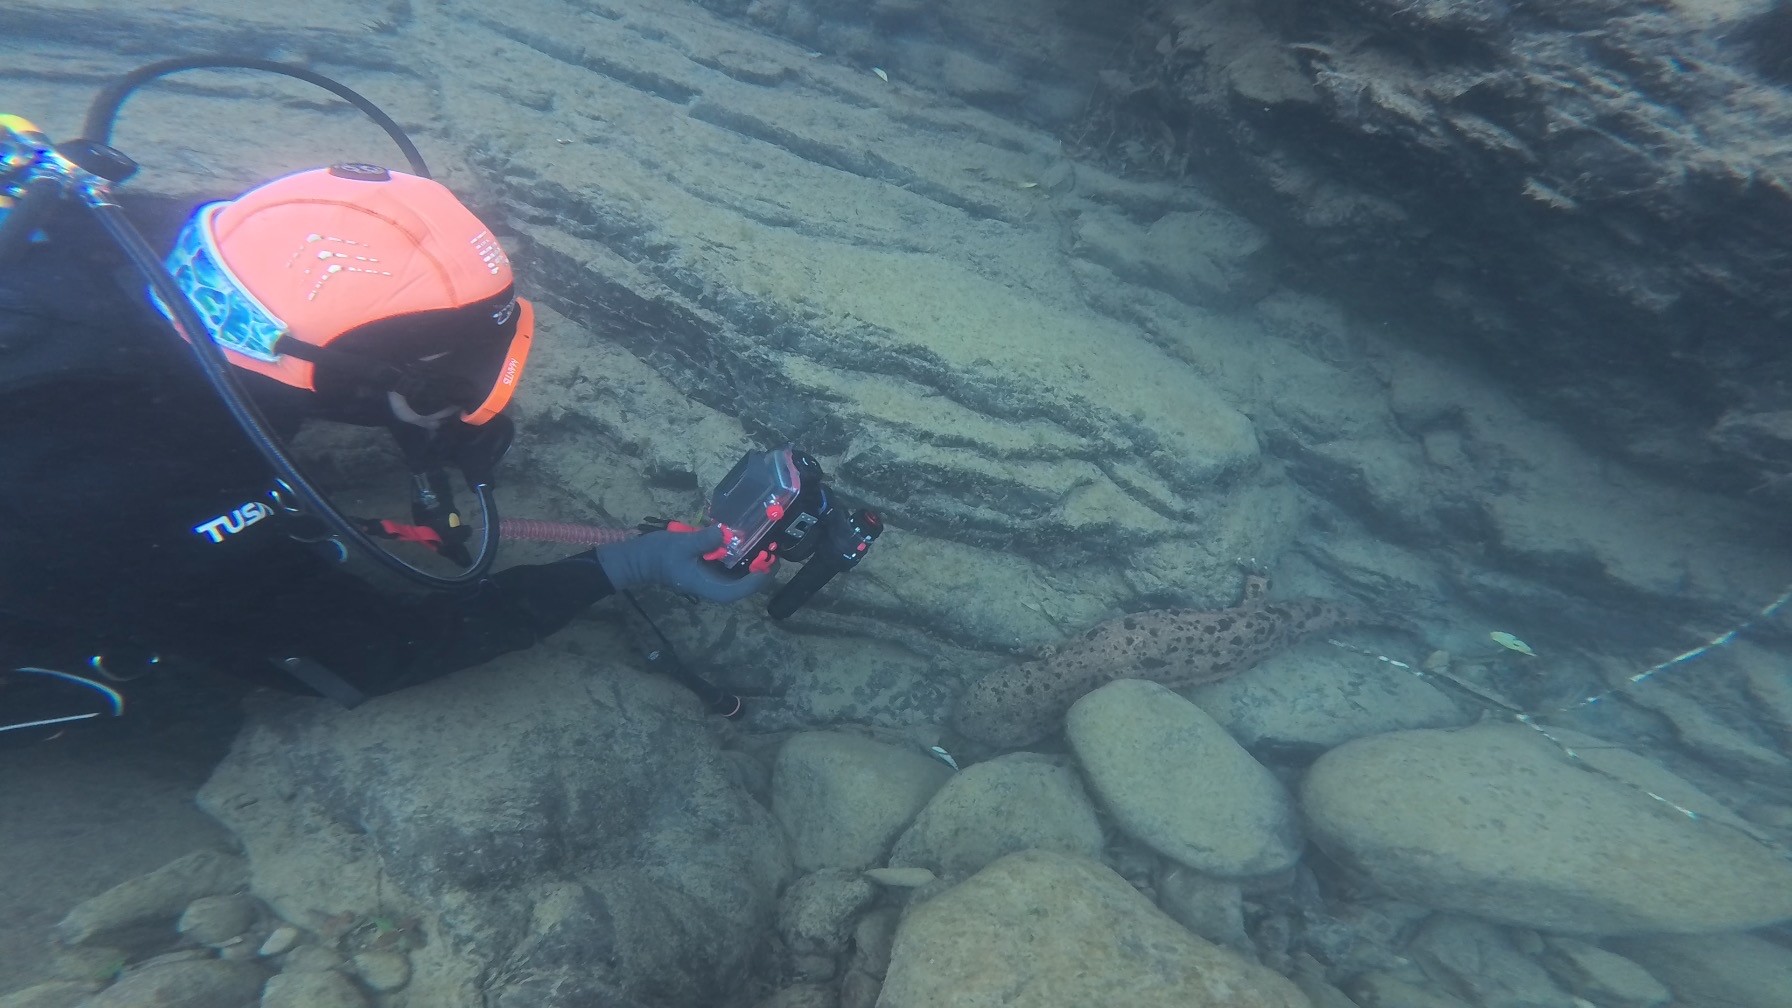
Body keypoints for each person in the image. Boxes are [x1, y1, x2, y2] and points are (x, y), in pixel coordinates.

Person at [0, 163, 768, 731]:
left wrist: (420, 417)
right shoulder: (118, 482)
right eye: (440, 385)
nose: (463, 406)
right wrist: (618, 563)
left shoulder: (147, 232)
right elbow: (374, 651)